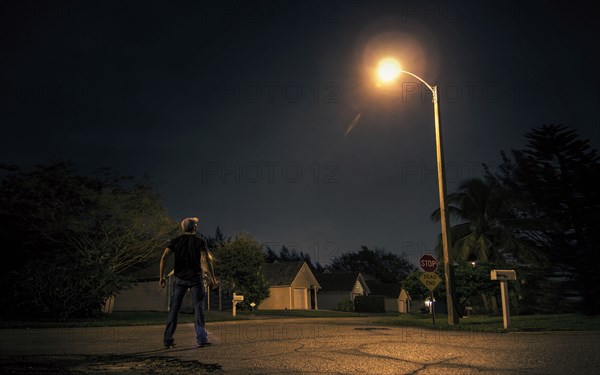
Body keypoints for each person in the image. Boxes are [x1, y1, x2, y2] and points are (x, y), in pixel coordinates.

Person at [159, 217, 218, 348]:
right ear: (194, 228)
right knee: (199, 308)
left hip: (180, 279)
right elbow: (207, 261)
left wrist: (161, 276)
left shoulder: (175, 241)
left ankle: (168, 340)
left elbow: (164, 257)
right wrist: (212, 279)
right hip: (196, 279)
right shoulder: (200, 241)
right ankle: (201, 339)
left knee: (174, 309)